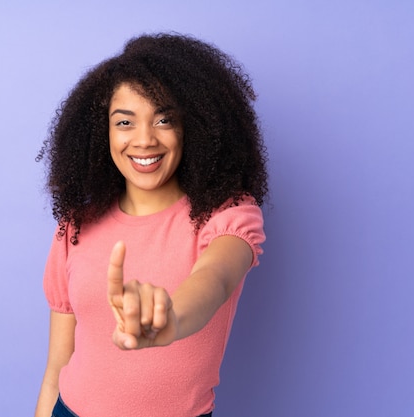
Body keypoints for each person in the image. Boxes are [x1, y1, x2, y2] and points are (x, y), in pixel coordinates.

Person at [34, 33, 268, 417]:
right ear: (101, 133)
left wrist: (171, 319)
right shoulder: (75, 226)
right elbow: (56, 369)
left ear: (192, 125)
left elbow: (216, 277)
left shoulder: (227, 214)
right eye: (124, 122)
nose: (144, 140)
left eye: (163, 119)